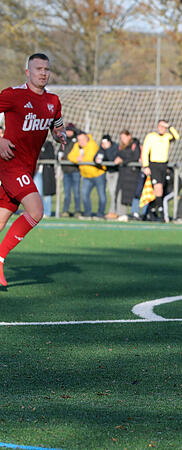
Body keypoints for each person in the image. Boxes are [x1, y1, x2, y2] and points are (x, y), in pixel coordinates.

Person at [0, 53, 67, 287]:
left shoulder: (53, 101)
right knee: (36, 211)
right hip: (9, 163)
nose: (43, 73)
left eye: (46, 69)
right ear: (27, 72)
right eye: (38, 69)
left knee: (1, 219)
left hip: (27, 167)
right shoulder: (13, 95)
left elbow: (57, 127)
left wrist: (60, 135)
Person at [141, 119, 179, 221]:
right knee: (158, 189)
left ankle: (150, 212)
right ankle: (161, 215)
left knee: (159, 192)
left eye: (164, 127)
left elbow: (176, 137)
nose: (162, 128)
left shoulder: (167, 137)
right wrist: (145, 166)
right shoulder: (151, 136)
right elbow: (145, 151)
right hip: (154, 165)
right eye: (160, 126)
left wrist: (170, 126)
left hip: (163, 165)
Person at [69, 131, 106, 220]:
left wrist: (80, 159)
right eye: (79, 140)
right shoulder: (77, 146)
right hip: (86, 176)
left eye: (82, 139)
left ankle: (100, 214)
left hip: (98, 174)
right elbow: (70, 156)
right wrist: (77, 159)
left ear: (86, 138)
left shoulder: (92, 145)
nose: (80, 142)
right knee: (84, 194)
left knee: (101, 195)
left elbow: (90, 158)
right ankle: (87, 213)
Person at [115, 130, 141, 221]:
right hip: (123, 173)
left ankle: (135, 213)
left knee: (133, 194)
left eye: (124, 137)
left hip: (132, 174)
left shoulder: (134, 145)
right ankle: (121, 214)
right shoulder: (120, 147)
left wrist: (123, 161)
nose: (123, 139)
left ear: (129, 136)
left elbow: (135, 157)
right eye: (121, 138)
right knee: (120, 193)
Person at [59, 123, 81, 217]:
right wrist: (59, 157)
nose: (68, 132)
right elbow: (60, 153)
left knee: (76, 192)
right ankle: (65, 210)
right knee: (67, 193)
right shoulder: (63, 141)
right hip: (66, 171)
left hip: (75, 171)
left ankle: (77, 211)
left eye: (70, 130)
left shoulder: (77, 141)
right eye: (67, 130)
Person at [34, 139, 56, 218]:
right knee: (37, 193)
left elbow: (50, 156)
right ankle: (38, 212)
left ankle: (47, 212)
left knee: (47, 193)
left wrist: (39, 156)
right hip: (36, 172)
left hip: (46, 173)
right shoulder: (33, 143)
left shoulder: (48, 144)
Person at [100, 134, 121, 220]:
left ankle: (114, 212)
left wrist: (107, 149)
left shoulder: (115, 147)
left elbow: (112, 158)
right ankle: (113, 211)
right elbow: (97, 156)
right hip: (108, 172)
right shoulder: (102, 148)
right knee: (112, 193)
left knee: (115, 193)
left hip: (116, 172)